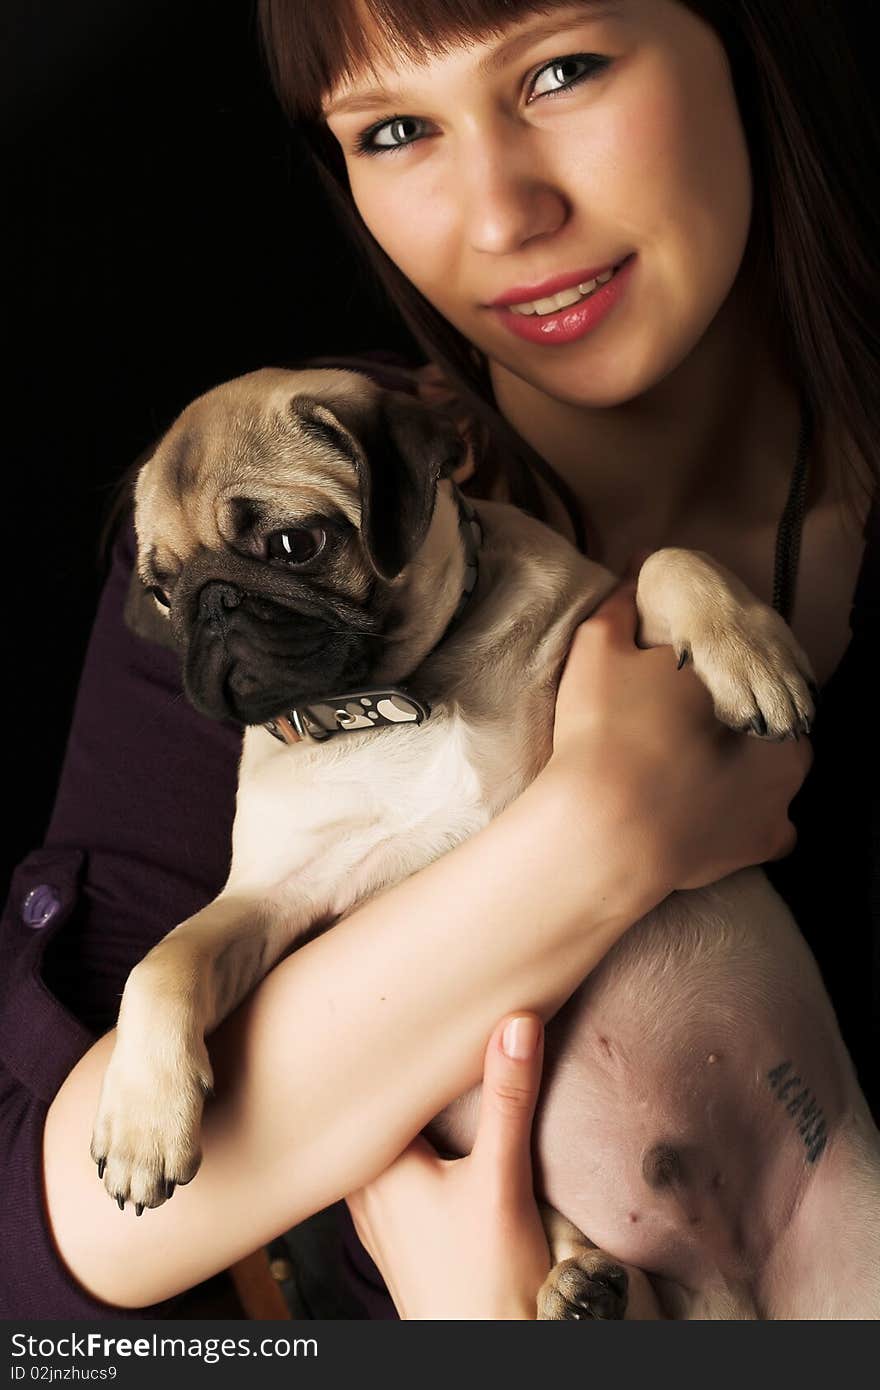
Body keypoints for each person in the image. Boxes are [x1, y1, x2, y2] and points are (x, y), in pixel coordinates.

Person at [1, 0, 875, 1319]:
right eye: (397, 127)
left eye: (563, 71)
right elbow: (44, 1248)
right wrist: (600, 834)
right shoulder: (232, 488)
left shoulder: (345, 480)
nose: (502, 212)